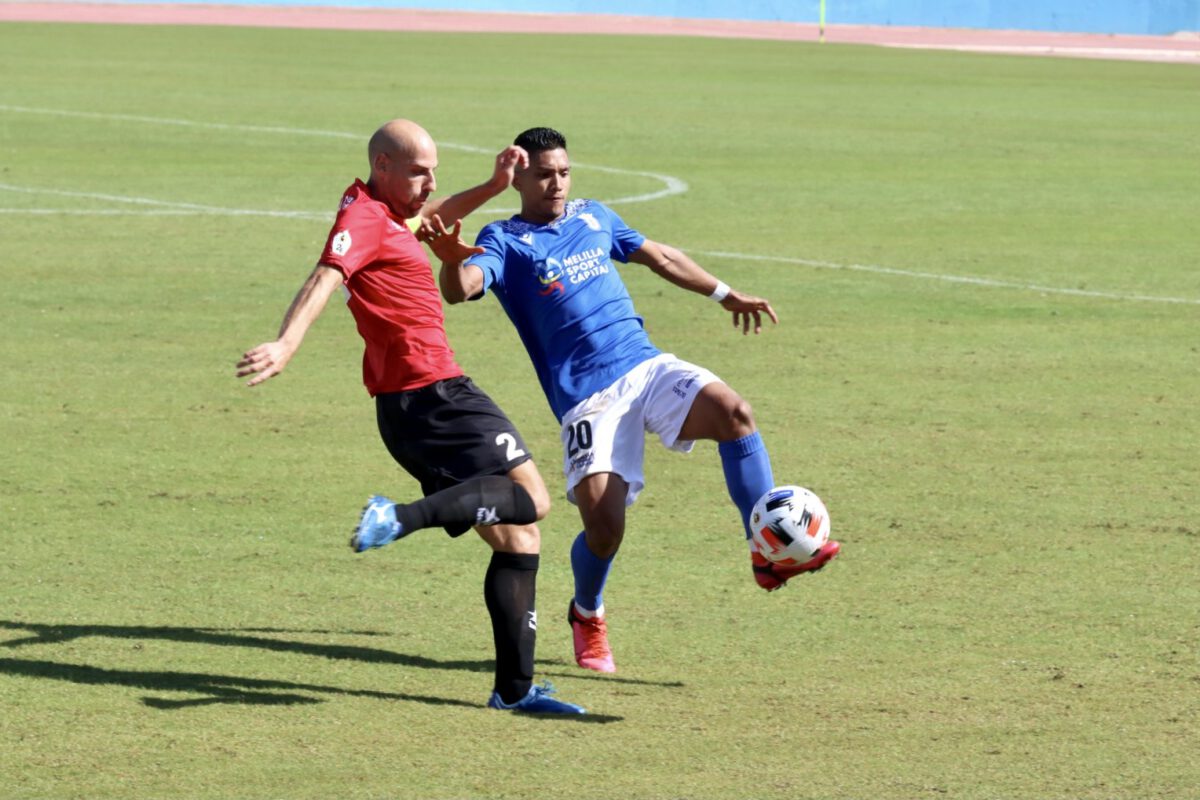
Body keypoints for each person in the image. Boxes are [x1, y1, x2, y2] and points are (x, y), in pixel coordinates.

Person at [424, 126, 840, 674]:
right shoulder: (503, 239)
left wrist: (724, 293)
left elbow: (661, 257)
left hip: (644, 365)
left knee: (735, 413)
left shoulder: (595, 217)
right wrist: (452, 259)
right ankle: (586, 612)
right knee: (604, 525)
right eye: (545, 174)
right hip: (587, 399)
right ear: (518, 178)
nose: (557, 184)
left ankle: (766, 547)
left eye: (564, 172)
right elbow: (463, 289)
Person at [235, 119, 584, 714]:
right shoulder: (362, 219)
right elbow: (327, 275)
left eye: (434, 171)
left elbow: (428, 220)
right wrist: (286, 344)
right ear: (383, 166)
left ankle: (514, 692)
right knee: (535, 500)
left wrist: (493, 186)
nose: (429, 183)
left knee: (517, 537)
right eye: (419, 172)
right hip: (435, 395)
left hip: (409, 407)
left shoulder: (382, 209)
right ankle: (398, 517)